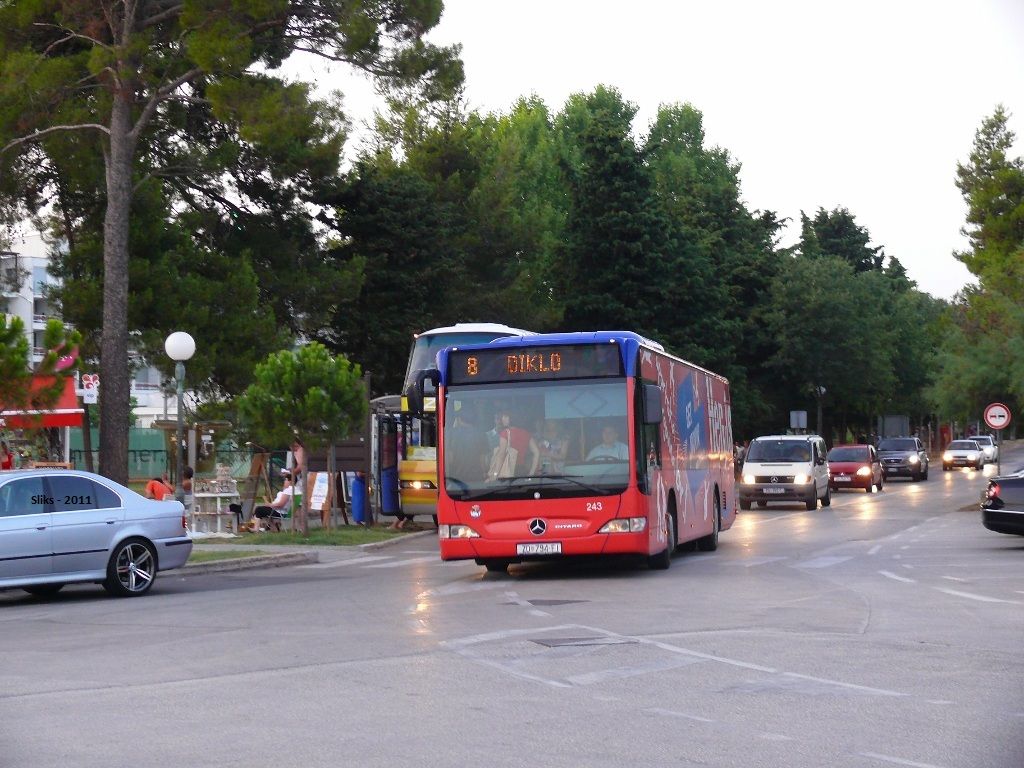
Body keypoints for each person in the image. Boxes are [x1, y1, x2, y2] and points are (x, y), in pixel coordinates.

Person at [489, 411, 540, 479]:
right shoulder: (526, 433)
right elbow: (537, 453)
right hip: (521, 470)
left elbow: (501, 455)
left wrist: (495, 475)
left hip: (507, 471)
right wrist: (531, 473)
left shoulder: (505, 433)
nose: (502, 419)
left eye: (506, 416)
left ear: (512, 418)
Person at [447, 409, 490, 483]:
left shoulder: (451, 433)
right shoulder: (481, 434)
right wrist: (484, 472)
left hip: (456, 477)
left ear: (459, 419)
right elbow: (483, 458)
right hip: (477, 476)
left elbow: (449, 458)